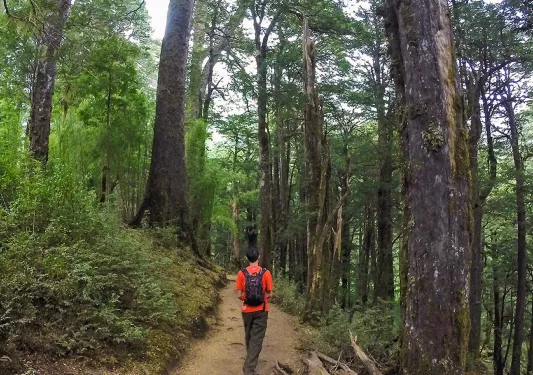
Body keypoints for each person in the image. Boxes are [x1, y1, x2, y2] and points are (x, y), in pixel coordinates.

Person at [235, 246, 274, 375]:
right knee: (256, 339)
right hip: (261, 310)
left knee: (249, 336)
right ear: (258, 257)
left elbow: (239, 294)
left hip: (246, 310)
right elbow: (269, 294)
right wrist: (261, 298)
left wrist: (247, 298)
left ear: (247, 258)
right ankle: (249, 369)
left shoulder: (242, 273)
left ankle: (250, 365)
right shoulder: (265, 273)